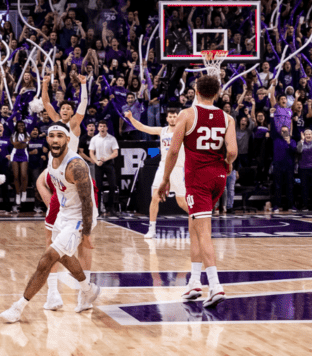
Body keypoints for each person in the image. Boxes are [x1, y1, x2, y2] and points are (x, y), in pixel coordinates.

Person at [1, 124, 102, 322]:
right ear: (47, 139)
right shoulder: (52, 157)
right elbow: (47, 182)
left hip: (78, 217)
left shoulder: (76, 166)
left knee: (47, 259)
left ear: (67, 139)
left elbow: (88, 203)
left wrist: (87, 233)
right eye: (52, 136)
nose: (55, 140)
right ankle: (88, 289)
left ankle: (18, 307)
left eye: (59, 136)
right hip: (63, 214)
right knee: (63, 256)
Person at [158, 72, 237, 307]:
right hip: (218, 177)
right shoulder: (227, 118)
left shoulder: (188, 114)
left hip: (198, 180)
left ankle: (215, 285)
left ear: (196, 91)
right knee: (194, 227)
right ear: (217, 93)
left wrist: (165, 179)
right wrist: (228, 164)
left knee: (203, 232)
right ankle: (194, 281)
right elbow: (231, 152)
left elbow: (173, 151)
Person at [35, 73, 88, 310]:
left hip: (72, 184)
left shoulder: (74, 126)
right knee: (51, 242)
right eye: (63, 108)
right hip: (57, 183)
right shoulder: (56, 124)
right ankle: (53, 293)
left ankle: (84, 290)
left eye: (69, 108)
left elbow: (83, 106)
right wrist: (44, 84)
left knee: (80, 244)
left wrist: (84, 85)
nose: (65, 111)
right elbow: (46, 103)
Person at [123, 107, 186, 239]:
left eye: (175, 116)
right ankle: (151, 229)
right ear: (167, 118)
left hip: (178, 168)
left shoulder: (183, 131)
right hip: (163, 167)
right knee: (155, 197)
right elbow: (142, 127)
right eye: (170, 116)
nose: (173, 119)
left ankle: (198, 220)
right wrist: (130, 118)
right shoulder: (161, 130)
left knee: (181, 201)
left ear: (178, 118)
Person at [87, 121, 120, 215]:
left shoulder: (112, 138)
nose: (102, 128)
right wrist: (96, 161)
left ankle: (111, 208)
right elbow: (91, 153)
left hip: (109, 163)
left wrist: (105, 159)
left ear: (107, 128)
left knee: (113, 186)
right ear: (98, 128)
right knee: (98, 187)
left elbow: (115, 153)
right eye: (100, 126)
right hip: (98, 164)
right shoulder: (94, 139)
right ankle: (98, 209)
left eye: (104, 126)